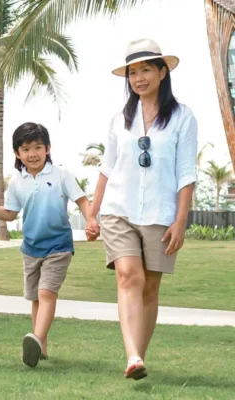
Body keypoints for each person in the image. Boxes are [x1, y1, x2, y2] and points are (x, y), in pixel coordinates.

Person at [89, 39, 197, 380]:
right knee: (128, 276)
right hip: (118, 209)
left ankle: (138, 358)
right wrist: (92, 213)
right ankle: (132, 354)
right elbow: (107, 168)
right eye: (133, 72)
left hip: (160, 214)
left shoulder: (182, 117)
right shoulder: (119, 120)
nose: (138, 78)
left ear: (163, 73)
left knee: (150, 288)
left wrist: (181, 221)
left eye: (146, 70)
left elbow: (186, 173)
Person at [0, 122, 99, 368]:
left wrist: (91, 220)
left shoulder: (60, 174)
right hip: (30, 249)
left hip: (59, 245)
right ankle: (40, 347)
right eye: (26, 148)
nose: (32, 153)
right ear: (17, 153)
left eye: (38, 147)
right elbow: (10, 214)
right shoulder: (16, 182)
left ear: (48, 149)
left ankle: (37, 339)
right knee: (35, 298)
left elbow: (83, 201)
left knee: (46, 293)